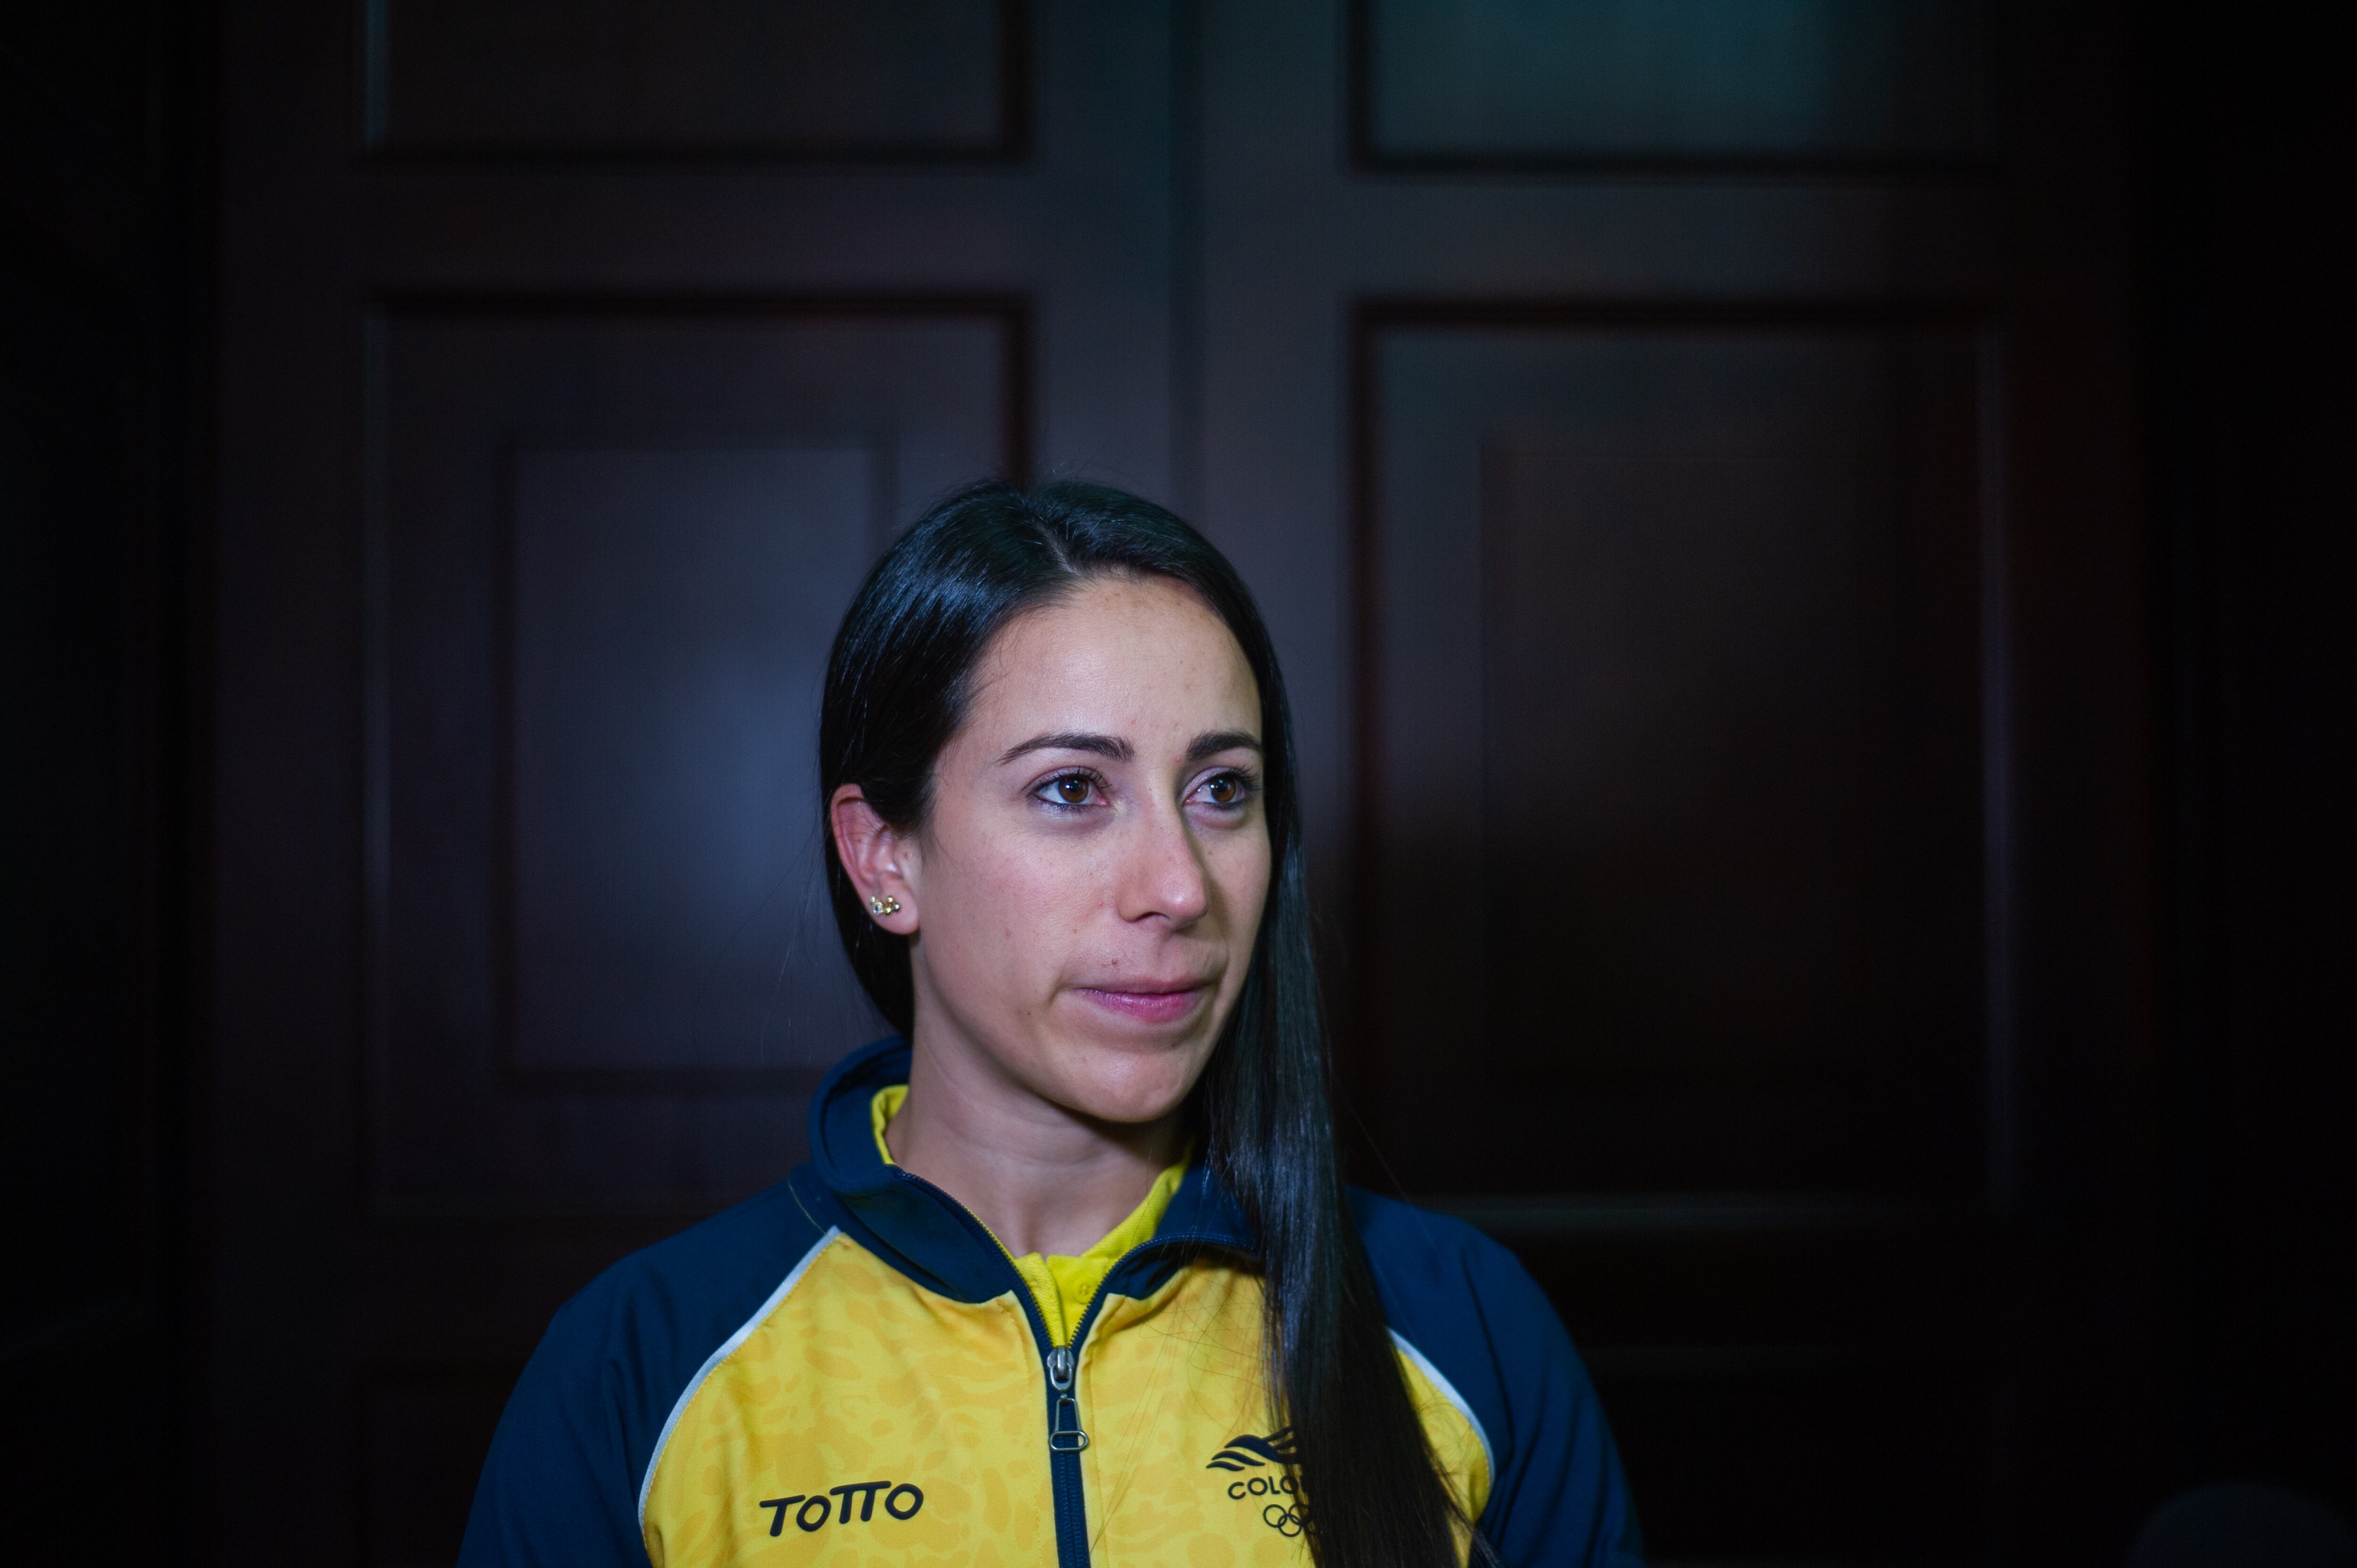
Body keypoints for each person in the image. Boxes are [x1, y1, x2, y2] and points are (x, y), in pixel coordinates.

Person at [457, 481, 1641, 1568]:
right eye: (1073, 789)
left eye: (1221, 789)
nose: (1178, 885)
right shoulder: (644, 1364)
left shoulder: (1460, 1324)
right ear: (885, 855)